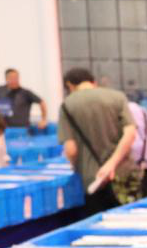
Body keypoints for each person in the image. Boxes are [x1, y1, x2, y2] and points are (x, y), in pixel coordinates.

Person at [57, 67, 138, 217]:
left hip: (92, 179)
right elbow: (130, 133)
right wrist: (112, 163)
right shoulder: (117, 97)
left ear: (69, 85)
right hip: (123, 174)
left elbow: (71, 149)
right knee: (129, 221)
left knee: (99, 224)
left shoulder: (67, 105)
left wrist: (76, 167)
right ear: (93, 81)